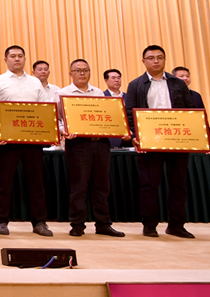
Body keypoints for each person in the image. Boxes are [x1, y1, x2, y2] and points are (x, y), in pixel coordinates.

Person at [125, 45, 196, 238]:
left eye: (159, 57)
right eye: (151, 58)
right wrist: (135, 136)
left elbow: (190, 110)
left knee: (178, 185)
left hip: (177, 140)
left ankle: (176, 225)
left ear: (165, 60)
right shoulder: (136, 85)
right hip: (149, 142)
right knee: (149, 186)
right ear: (143, 61)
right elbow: (130, 113)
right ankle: (149, 225)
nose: (155, 61)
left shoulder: (178, 83)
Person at [0, 45, 53, 237]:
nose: (17, 59)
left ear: (25, 59)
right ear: (6, 59)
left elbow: (44, 110)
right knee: (3, 183)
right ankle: (1, 221)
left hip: (33, 140)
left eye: (20, 56)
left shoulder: (35, 82)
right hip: (6, 141)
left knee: (36, 183)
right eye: (13, 56)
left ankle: (39, 222)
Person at [56, 59, 126, 237]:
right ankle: (77, 224)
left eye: (85, 70)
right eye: (78, 70)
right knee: (79, 186)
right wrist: (64, 131)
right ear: (70, 73)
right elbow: (57, 120)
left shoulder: (98, 93)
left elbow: (106, 116)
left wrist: (121, 129)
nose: (82, 73)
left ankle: (103, 224)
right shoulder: (62, 93)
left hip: (101, 143)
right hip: (78, 144)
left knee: (102, 186)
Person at [103, 69, 126, 148]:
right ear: (106, 81)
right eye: (113, 78)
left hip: (127, 138)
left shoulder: (128, 96)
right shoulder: (102, 97)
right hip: (110, 138)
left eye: (118, 78)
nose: (117, 80)